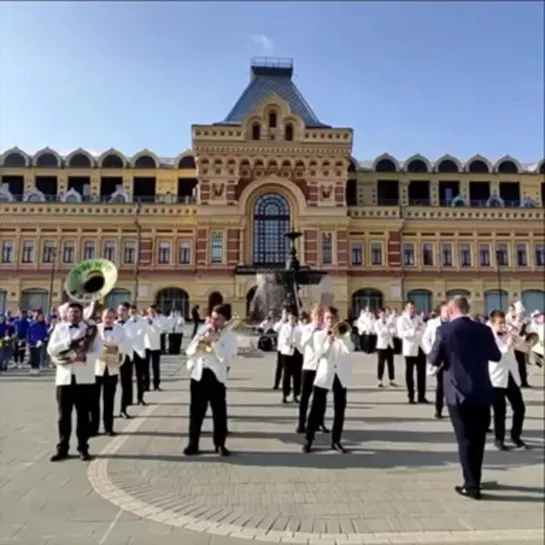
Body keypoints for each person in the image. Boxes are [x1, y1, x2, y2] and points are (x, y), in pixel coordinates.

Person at [429, 296, 501, 500]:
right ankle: (475, 478)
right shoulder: (483, 329)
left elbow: (434, 359)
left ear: (451, 311)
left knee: (465, 440)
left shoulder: (444, 331)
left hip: (457, 393)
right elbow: (496, 356)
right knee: (478, 439)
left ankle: (471, 485)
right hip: (482, 390)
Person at [47, 302, 102, 462]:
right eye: (71, 312)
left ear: (81, 313)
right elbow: (51, 349)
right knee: (63, 416)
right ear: (67, 314)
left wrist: (85, 357)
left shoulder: (91, 330)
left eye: (77, 312)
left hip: (84, 378)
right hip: (64, 378)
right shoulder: (60, 328)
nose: (74, 315)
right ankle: (62, 448)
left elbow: (98, 351)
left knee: (83, 415)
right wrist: (68, 344)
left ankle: (83, 448)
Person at [184, 304, 237, 456]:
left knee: (219, 412)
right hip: (199, 375)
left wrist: (214, 341)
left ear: (225, 320)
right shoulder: (203, 329)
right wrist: (199, 344)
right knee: (196, 412)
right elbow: (188, 351)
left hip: (217, 377)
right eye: (213, 318)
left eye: (218, 319)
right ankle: (193, 444)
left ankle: (219, 444)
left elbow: (226, 358)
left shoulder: (230, 336)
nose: (213, 322)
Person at [303, 306, 353, 453]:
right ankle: (309, 439)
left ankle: (336, 440)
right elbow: (320, 354)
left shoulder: (344, 333)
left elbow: (350, 349)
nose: (330, 321)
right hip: (324, 374)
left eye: (332, 318)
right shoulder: (319, 335)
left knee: (340, 409)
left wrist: (341, 338)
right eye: (327, 318)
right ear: (323, 320)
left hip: (340, 375)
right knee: (316, 408)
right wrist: (329, 340)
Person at [488, 311, 528, 451]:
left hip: (511, 375)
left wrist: (518, 339)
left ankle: (515, 435)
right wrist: (507, 346)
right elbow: (495, 355)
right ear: (492, 323)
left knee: (520, 408)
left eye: (504, 322)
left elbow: (524, 348)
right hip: (496, 378)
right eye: (499, 323)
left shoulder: (508, 334)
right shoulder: (488, 336)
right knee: (500, 411)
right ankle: (499, 439)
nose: (503, 325)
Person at [90, 308, 128, 437]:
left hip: (112, 368)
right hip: (96, 368)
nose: (108, 320)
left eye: (111, 317)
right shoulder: (95, 328)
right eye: (106, 317)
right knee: (93, 400)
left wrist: (116, 348)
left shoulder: (120, 329)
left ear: (115, 317)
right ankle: (93, 427)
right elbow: (89, 345)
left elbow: (126, 345)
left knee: (109, 399)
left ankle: (108, 427)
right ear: (102, 316)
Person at [297, 305, 329, 434]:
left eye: (320, 315)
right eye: (316, 315)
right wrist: (313, 331)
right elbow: (302, 346)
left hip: (322, 366)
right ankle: (301, 423)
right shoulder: (306, 329)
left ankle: (319, 422)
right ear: (311, 316)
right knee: (305, 397)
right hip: (309, 366)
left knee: (321, 397)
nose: (318, 317)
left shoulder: (327, 329)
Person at [421, 302, 449, 418]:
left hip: (452, 358)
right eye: (445, 311)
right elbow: (425, 338)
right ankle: (438, 409)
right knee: (441, 385)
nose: (447, 313)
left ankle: (455, 409)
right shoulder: (432, 323)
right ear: (440, 311)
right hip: (439, 358)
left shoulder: (454, 322)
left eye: (449, 311)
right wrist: (430, 352)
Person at [397, 300, 428, 404]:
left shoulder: (418, 317)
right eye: (410, 308)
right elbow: (401, 334)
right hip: (409, 349)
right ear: (406, 309)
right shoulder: (401, 319)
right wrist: (414, 330)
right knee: (409, 373)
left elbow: (424, 329)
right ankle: (411, 396)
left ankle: (421, 396)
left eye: (414, 308)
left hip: (420, 347)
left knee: (421, 373)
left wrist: (421, 328)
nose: (413, 310)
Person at [277, 309, 301, 403]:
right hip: (286, 353)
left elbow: (302, 338)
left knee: (297, 375)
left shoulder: (299, 327)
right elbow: (283, 339)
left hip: (297, 352)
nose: (292, 319)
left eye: (294, 318)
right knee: (286, 375)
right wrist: (290, 342)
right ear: (288, 318)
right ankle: (285, 394)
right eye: (290, 318)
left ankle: (296, 394)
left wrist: (296, 343)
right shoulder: (284, 327)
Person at [116, 302, 133, 419]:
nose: (121, 313)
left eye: (123, 310)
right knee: (110, 385)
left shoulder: (133, 324)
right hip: (111, 357)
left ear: (128, 311)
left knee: (125, 384)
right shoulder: (113, 324)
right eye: (119, 310)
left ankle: (123, 408)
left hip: (126, 356)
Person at [144, 305, 166, 391]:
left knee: (156, 367)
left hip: (156, 346)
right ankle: (146, 385)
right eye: (149, 312)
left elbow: (160, 330)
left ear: (155, 311)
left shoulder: (159, 319)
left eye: (153, 311)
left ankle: (156, 385)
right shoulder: (144, 319)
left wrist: (152, 323)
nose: (151, 313)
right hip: (146, 345)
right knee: (145, 367)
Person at [374, 309, 396, 388]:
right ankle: (379, 380)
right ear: (379, 315)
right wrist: (387, 327)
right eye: (382, 314)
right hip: (381, 346)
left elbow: (393, 331)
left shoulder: (389, 321)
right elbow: (380, 333)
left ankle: (392, 380)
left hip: (389, 345)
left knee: (391, 363)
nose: (383, 316)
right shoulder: (377, 323)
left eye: (384, 314)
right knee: (381, 364)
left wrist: (389, 330)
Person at [27, 310, 49, 375]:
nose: (41, 318)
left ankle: (36, 368)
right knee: (32, 356)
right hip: (32, 343)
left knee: (38, 356)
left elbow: (45, 334)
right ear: (37, 317)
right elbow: (29, 333)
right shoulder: (32, 324)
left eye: (42, 317)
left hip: (39, 343)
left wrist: (42, 340)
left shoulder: (43, 325)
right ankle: (32, 368)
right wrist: (28, 342)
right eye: (40, 317)